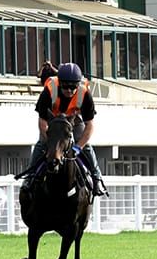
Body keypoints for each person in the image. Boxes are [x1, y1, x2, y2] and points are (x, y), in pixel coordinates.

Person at [28, 62, 106, 195]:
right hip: (53, 122)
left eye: (73, 87)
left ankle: (96, 178)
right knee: (41, 143)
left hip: (73, 122)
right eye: (65, 87)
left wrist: (78, 147)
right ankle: (29, 177)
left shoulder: (85, 93)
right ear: (60, 83)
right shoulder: (49, 90)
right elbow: (42, 121)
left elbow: (90, 125)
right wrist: (48, 143)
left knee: (87, 147)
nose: (69, 90)